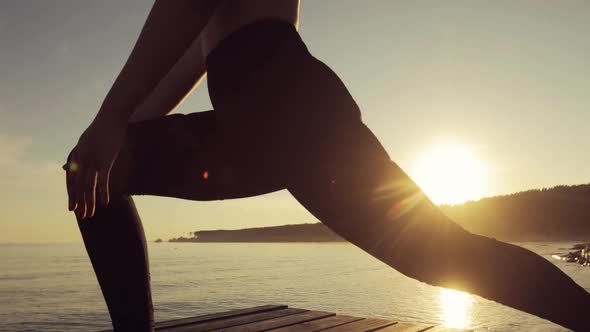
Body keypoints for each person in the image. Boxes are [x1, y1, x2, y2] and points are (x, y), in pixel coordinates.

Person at [64, 1, 590, 331]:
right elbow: (190, 55)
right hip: (272, 106)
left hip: (280, 95)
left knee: (443, 254)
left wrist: (109, 126)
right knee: (442, 254)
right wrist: (116, 135)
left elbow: (188, 7)